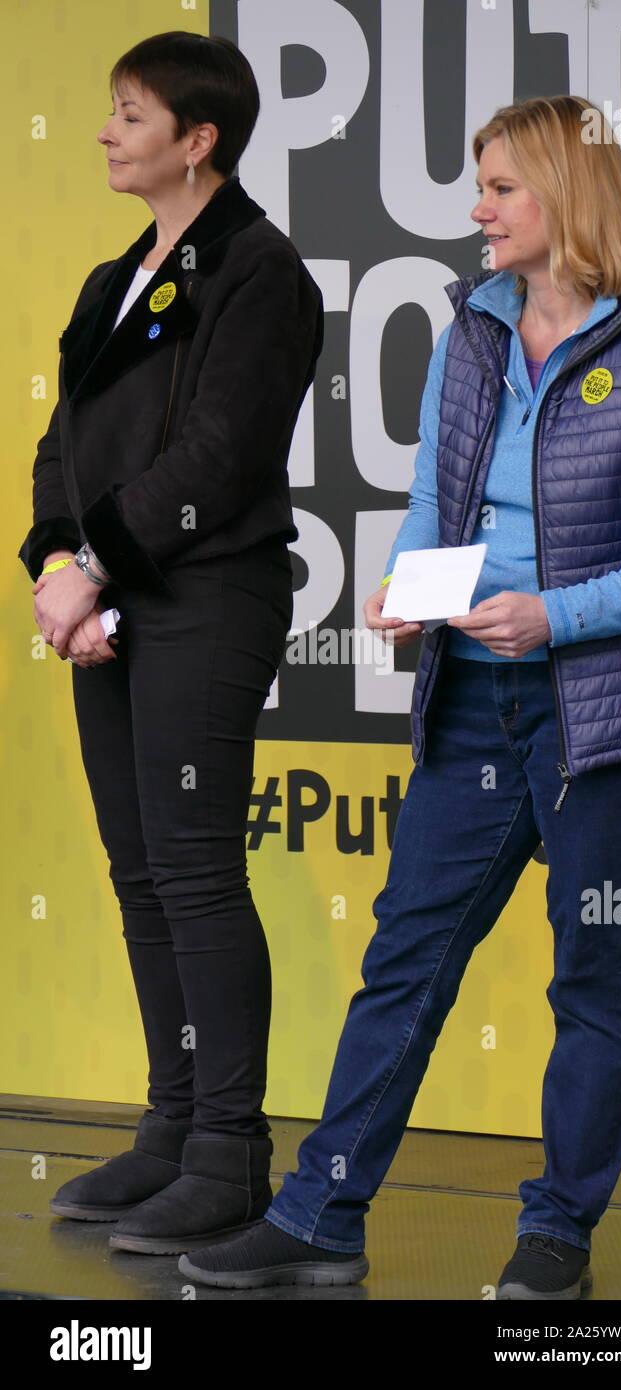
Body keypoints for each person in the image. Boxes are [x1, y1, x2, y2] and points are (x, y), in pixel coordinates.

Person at [176, 94, 621, 1298]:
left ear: (564, 193)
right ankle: (319, 1215)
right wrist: (411, 584)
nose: (479, 208)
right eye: (477, 185)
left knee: (592, 979)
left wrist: (555, 614)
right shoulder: (469, 334)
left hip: (602, 716)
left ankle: (555, 1234)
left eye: (501, 187)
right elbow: (430, 497)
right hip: (473, 702)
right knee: (405, 959)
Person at [17, 30, 323, 1255]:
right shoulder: (110, 285)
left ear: (197, 141)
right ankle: (172, 1125)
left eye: (130, 115)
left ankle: (228, 1153)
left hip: (208, 596)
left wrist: (94, 569)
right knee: (138, 868)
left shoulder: (260, 270)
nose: (104, 132)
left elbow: (220, 457)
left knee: (193, 869)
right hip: (114, 605)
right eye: (106, 111)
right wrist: (58, 567)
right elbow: (65, 453)